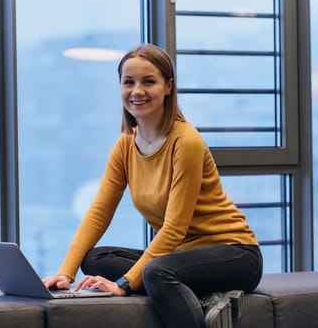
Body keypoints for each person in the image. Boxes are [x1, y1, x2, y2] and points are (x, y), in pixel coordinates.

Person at [42, 44, 263, 328]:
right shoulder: (125, 146)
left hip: (234, 254)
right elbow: (99, 213)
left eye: (149, 81)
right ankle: (199, 297)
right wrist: (66, 274)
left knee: (155, 271)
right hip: (181, 258)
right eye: (128, 82)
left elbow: (174, 227)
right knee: (96, 258)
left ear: (168, 86)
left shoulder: (186, 141)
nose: (137, 91)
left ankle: (196, 303)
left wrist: (123, 284)